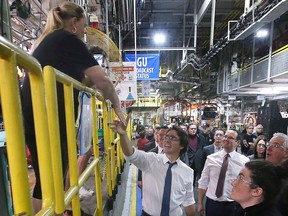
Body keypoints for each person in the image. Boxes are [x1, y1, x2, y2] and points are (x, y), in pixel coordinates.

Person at [21, 2, 125, 213]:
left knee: (47, 179)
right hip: (48, 117)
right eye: (84, 27)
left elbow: (83, 80)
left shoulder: (50, 40)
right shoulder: (68, 38)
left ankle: (56, 208)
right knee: (50, 181)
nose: (84, 33)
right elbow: (102, 79)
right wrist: (118, 108)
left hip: (37, 115)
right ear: (74, 22)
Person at [110, 118, 196, 216]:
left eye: (172, 138)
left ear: (182, 146)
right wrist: (123, 134)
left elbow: (189, 202)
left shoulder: (188, 172)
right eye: (166, 137)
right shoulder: (151, 159)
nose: (167, 140)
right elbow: (130, 154)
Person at [198, 129, 249, 216]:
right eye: (225, 136)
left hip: (233, 204)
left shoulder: (244, 161)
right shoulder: (211, 158)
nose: (226, 139)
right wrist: (200, 203)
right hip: (213, 203)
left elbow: (246, 184)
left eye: (230, 138)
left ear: (237, 142)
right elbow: (204, 181)